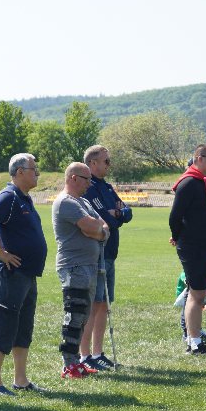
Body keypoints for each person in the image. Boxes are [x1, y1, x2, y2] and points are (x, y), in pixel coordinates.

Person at [0, 153, 47, 395]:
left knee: (23, 327)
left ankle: (21, 379)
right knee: (3, 324)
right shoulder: (9, 196)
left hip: (27, 274)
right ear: (19, 172)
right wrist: (2, 252)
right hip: (10, 273)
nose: (37, 173)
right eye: (33, 169)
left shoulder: (23, 197)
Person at [52, 162, 109, 378]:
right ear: (73, 178)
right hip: (74, 266)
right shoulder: (66, 202)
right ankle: (69, 364)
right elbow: (92, 227)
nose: (90, 184)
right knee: (74, 314)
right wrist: (96, 230)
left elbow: (104, 227)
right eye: (87, 179)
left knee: (83, 315)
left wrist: (98, 231)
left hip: (89, 265)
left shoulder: (83, 202)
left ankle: (76, 361)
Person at [169, 144, 206, 355]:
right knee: (197, 294)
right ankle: (194, 342)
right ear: (199, 158)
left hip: (205, 247)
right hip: (194, 247)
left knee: (200, 293)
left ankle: (195, 338)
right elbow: (175, 216)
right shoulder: (189, 183)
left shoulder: (202, 182)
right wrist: (178, 236)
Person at [80, 145, 126, 371]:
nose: (109, 165)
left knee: (103, 304)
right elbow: (104, 220)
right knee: (93, 304)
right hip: (97, 253)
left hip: (110, 254)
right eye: (106, 161)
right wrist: (115, 215)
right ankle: (85, 355)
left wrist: (117, 213)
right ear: (93, 163)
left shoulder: (106, 187)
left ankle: (98, 353)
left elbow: (126, 212)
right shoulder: (89, 189)